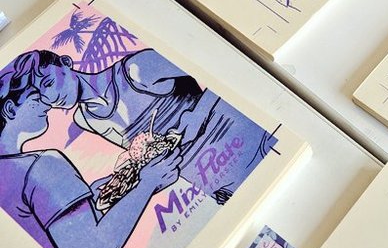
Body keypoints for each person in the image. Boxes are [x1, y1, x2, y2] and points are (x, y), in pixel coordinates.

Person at [0, 61, 180, 248]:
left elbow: (52, 237)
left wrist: (89, 201)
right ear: (10, 109)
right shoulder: (40, 165)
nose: (48, 104)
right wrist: (147, 184)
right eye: (37, 98)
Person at [24, 44, 272, 207]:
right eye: (40, 95)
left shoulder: (135, 69)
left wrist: (195, 116)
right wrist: (123, 181)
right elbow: (145, 154)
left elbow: (219, 72)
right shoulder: (86, 119)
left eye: (48, 83)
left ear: (66, 62)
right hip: (217, 186)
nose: (51, 98)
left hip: (250, 148)